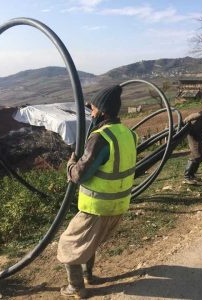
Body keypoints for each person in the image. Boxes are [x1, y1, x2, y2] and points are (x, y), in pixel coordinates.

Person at [57, 85, 138, 298]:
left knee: (69, 245)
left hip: (97, 206)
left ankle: (76, 287)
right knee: (89, 242)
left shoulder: (101, 137)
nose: (91, 113)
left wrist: (71, 165)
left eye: (92, 109)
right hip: (119, 204)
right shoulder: (128, 133)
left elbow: (80, 175)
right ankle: (89, 277)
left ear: (101, 110)